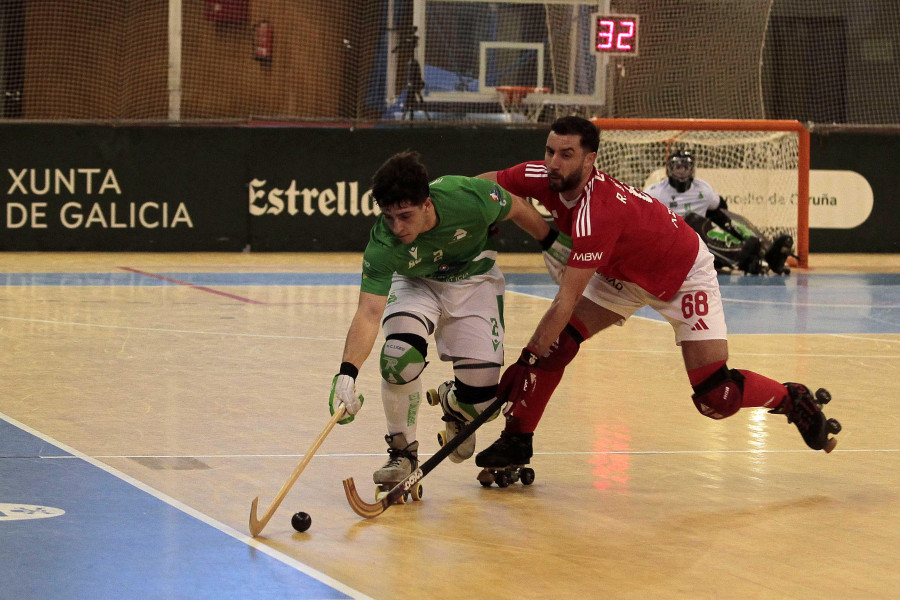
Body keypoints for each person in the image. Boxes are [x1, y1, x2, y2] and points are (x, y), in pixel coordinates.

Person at [474, 116, 841, 473]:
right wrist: (447, 211)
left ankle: (792, 399)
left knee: (717, 397)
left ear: (590, 160)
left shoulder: (595, 214)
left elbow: (564, 301)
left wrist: (526, 360)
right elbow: (478, 186)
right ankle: (517, 439)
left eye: (566, 154)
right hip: (624, 273)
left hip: (682, 274)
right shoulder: (542, 174)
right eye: (550, 151)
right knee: (557, 346)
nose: (553, 163)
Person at [327, 150, 561, 493]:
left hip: (474, 282)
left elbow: (515, 205)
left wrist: (550, 241)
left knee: (484, 404)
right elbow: (368, 313)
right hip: (415, 284)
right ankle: (401, 452)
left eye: (405, 216)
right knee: (397, 359)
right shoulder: (383, 243)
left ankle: (455, 404)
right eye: (389, 217)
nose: (398, 227)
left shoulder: (469, 197)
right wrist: (346, 373)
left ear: (427, 204)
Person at [645, 149, 790, 274]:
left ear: (692, 169)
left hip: (700, 245)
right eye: (677, 167)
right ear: (669, 169)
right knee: (691, 220)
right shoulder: (655, 191)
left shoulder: (703, 189)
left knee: (725, 217)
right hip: (669, 244)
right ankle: (742, 256)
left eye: (686, 167)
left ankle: (768, 252)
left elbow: (723, 209)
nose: (681, 172)